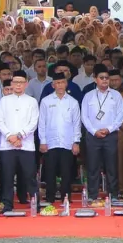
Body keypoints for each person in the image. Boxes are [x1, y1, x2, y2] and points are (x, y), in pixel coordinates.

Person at [0, 71, 39, 211]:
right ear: (12, 84)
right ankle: (7, 205)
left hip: (26, 145)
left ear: (26, 84)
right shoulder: (4, 101)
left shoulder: (32, 101)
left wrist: (20, 135)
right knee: (7, 177)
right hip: (7, 146)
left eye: (21, 82)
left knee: (30, 177)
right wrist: (10, 136)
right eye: (15, 82)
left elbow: (34, 122)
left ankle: (35, 204)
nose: (18, 85)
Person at [81, 64, 123, 201]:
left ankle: (113, 195)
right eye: (101, 78)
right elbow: (84, 117)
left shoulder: (116, 95)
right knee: (93, 167)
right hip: (93, 136)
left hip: (110, 135)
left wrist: (109, 129)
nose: (105, 80)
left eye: (107, 78)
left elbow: (120, 116)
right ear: (95, 79)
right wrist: (94, 131)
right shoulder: (88, 96)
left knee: (112, 166)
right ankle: (93, 195)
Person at [38, 72, 81, 205]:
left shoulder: (73, 102)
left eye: (62, 82)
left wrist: (76, 142)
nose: (60, 85)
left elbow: (76, 123)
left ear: (66, 83)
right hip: (50, 142)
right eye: (57, 83)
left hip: (67, 142)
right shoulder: (46, 101)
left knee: (66, 172)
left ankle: (66, 198)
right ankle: (50, 198)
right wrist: (43, 141)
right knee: (50, 172)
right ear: (53, 85)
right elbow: (42, 123)